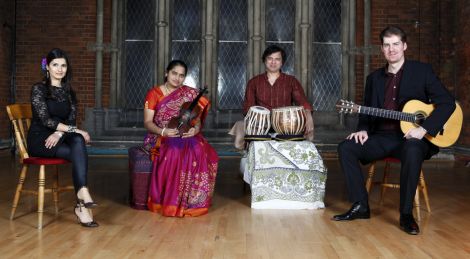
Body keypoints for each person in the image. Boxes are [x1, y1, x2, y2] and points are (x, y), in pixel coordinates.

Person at [333, 26, 456, 235]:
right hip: (382, 137)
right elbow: (366, 111)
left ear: (404, 46)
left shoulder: (422, 71)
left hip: (412, 138)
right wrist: (362, 129)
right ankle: (361, 205)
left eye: (396, 44)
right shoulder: (374, 79)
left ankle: (406, 214)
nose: (392, 49)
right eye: (387, 45)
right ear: (382, 49)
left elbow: (447, 103)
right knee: (346, 147)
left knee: (413, 149)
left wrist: (423, 129)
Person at [28, 48, 98, 227]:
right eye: (55, 65)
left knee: (77, 141)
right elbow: (45, 119)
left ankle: (82, 196)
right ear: (48, 67)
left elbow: (71, 120)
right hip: (40, 139)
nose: (60, 69)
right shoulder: (39, 89)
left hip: (59, 136)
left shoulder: (69, 93)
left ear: (67, 68)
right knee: (79, 142)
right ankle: (81, 202)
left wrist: (60, 132)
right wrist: (76, 130)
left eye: (63, 65)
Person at [144, 60, 219, 217]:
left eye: (181, 75)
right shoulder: (154, 94)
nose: (177, 78)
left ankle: (193, 202)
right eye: (174, 73)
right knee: (174, 150)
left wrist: (194, 130)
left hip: (186, 133)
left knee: (200, 149)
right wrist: (163, 131)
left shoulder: (190, 93)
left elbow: (196, 121)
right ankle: (171, 202)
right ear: (167, 73)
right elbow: (148, 122)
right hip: (160, 135)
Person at [230, 45, 314, 149]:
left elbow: (302, 101)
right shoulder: (254, 82)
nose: (273, 62)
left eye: (277, 59)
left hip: (285, 124)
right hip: (260, 125)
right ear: (264, 61)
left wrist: (308, 114)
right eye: (270, 59)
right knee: (241, 125)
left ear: (282, 62)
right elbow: (248, 108)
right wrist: (259, 119)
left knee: (306, 125)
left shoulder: (291, 81)